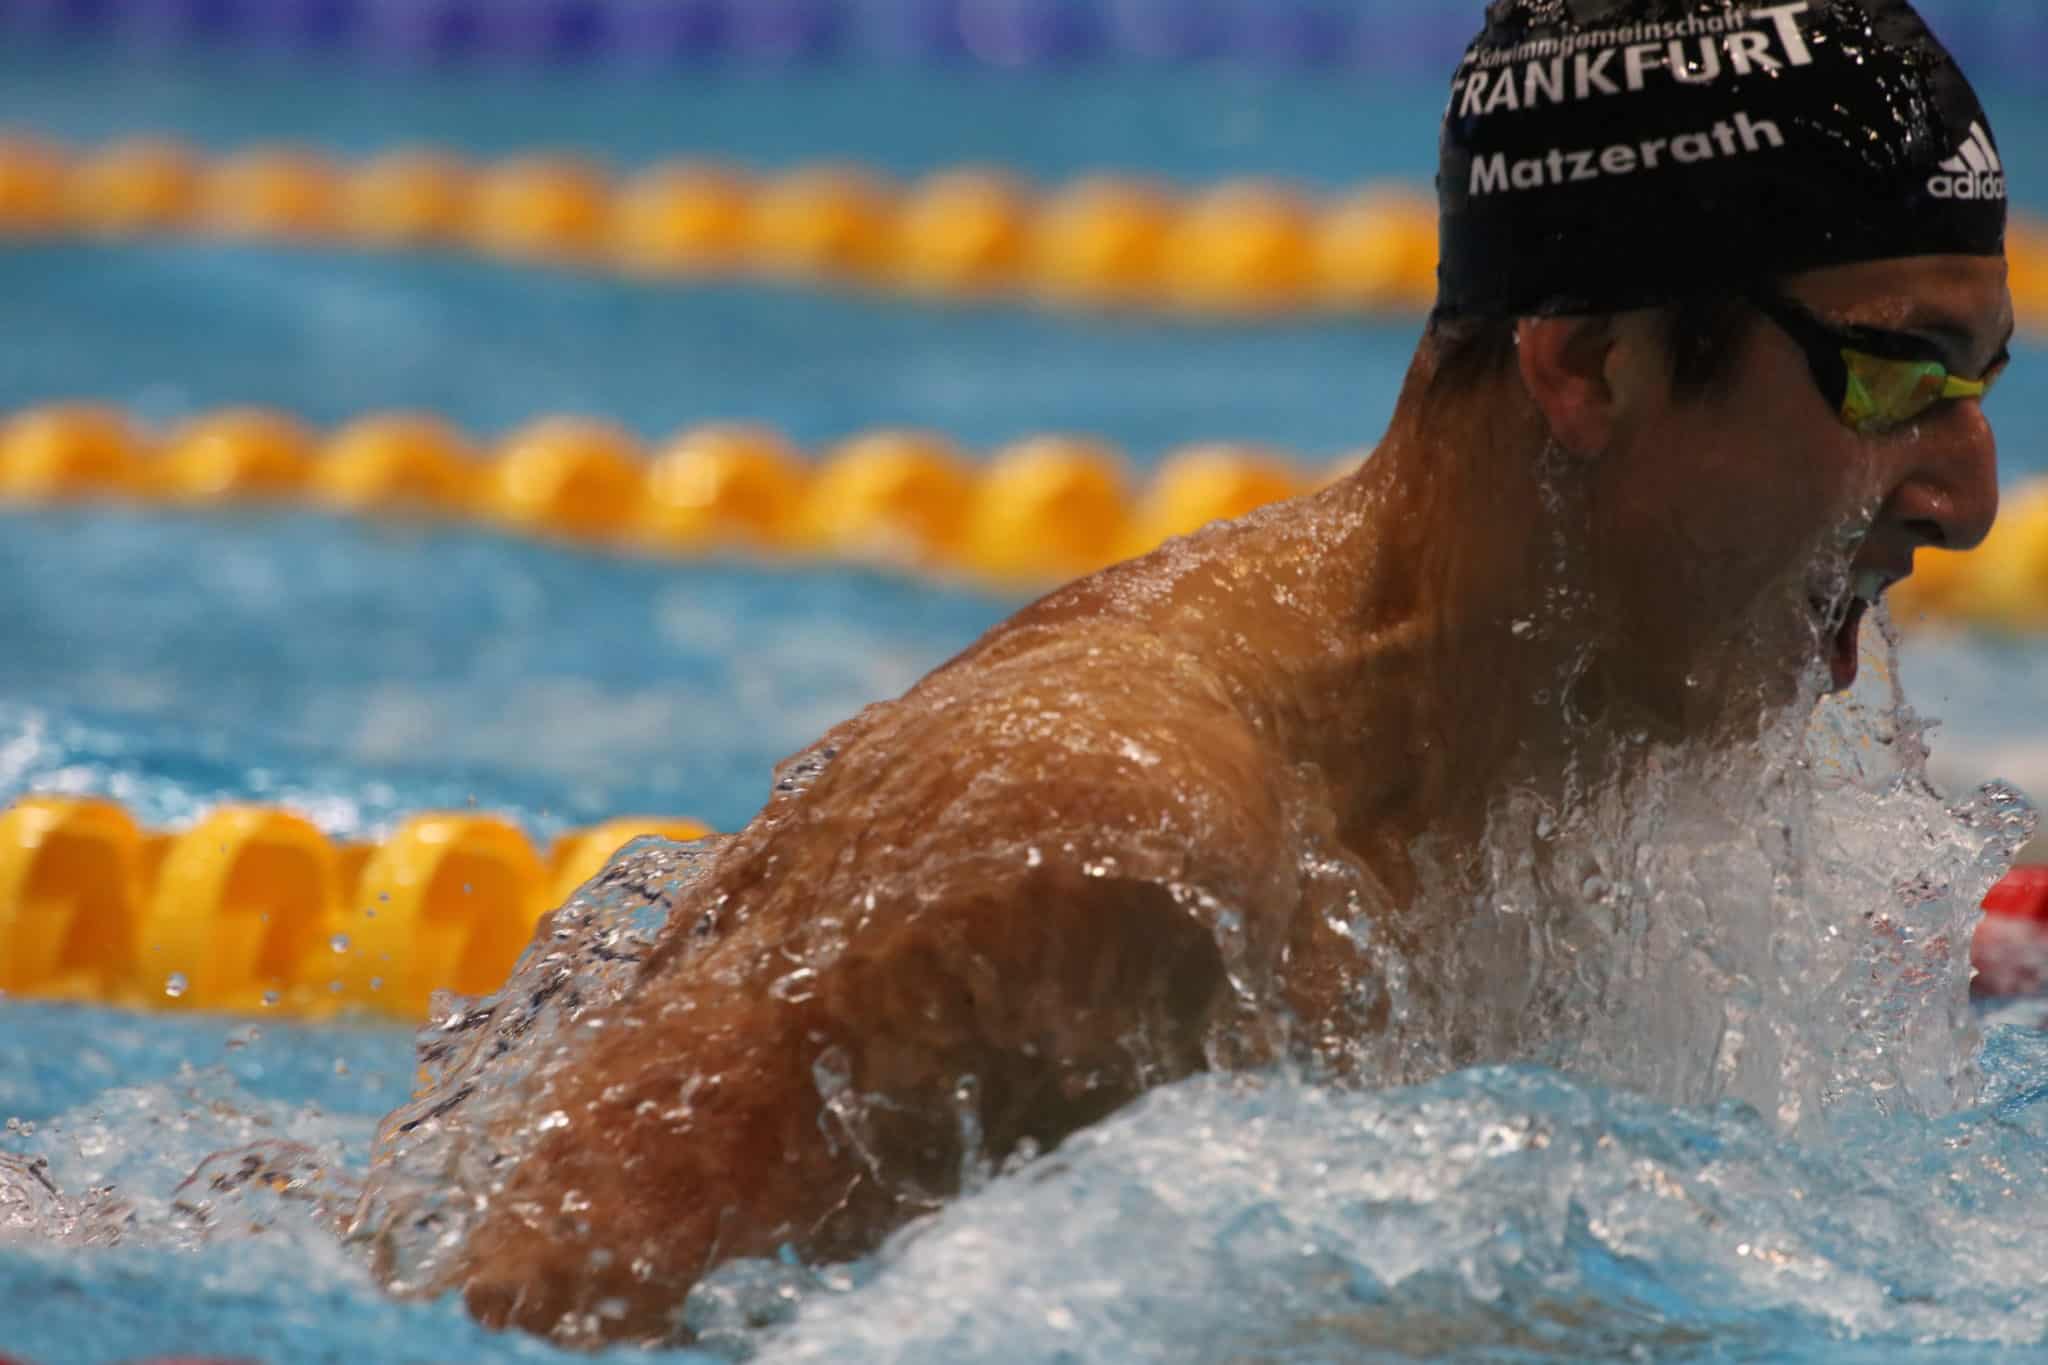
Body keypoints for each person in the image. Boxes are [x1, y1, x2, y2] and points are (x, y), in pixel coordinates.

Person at [427, 0, 2013, 1343]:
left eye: (1982, 386)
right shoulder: (1109, 843)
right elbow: (488, 1325)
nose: (1970, 497)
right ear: (1590, 363)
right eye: (1895, 376)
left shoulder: (1595, 755)